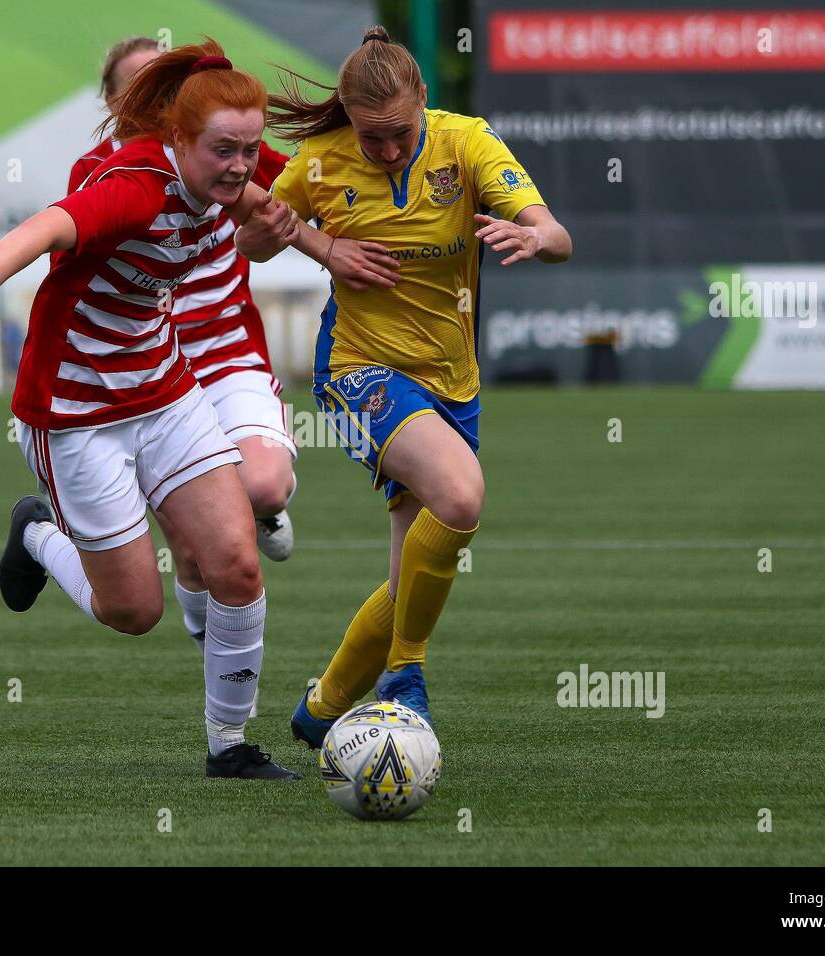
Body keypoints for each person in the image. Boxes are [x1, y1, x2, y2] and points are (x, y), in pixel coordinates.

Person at [0, 39, 299, 780]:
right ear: (177, 139)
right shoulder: (137, 187)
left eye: (250, 150)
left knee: (236, 564)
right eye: (225, 150)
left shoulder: (229, 180)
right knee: (133, 611)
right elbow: (54, 225)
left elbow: (270, 206)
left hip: (164, 390)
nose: (241, 166)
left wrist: (302, 237)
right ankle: (34, 532)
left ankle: (230, 746)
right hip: (74, 411)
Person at [232, 26, 572, 746]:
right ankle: (405, 678)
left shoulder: (466, 143)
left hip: (453, 380)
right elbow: (252, 239)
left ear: (424, 99)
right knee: (461, 494)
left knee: (409, 580)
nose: (384, 150)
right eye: (370, 137)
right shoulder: (321, 162)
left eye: (398, 134)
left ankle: (321, 707)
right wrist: (321, 243)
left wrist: (536, 238)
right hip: (359, 371)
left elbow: (556, 233)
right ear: (349, 119)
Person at [65, 38, 299, 717]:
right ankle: (227, 707)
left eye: (168, 89)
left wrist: (317, 241)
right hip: (152, 375)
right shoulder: (105, 174)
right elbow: (69, 247)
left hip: (223, 351)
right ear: (115, 103)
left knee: (259, 484)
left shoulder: (223, 151)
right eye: (140, 89)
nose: (161, 103)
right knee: (195, 559)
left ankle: (269, 506)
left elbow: (295, 195)